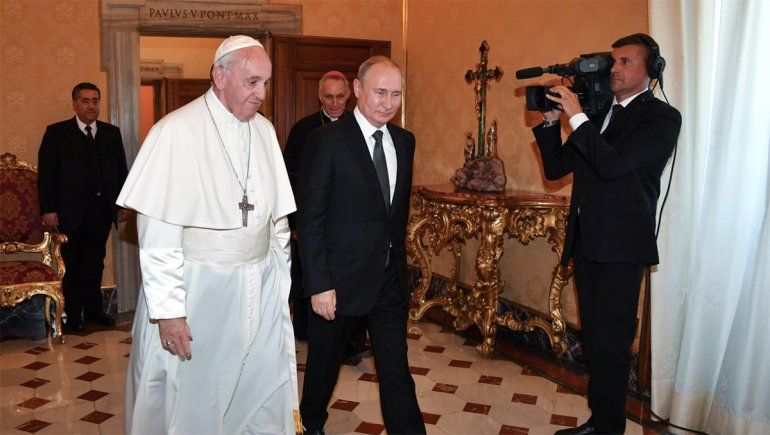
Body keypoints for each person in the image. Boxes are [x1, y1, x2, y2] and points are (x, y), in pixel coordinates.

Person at [118, 35, 301, 434]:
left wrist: (279, 287)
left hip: (258, 286)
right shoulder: (175, 131)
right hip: (198, 291)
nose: (262, 95)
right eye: (252, 82)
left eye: (266, 84)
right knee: (194, 397)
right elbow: (158, 235)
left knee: (257, 387)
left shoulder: (265, 131)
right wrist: (168, 312)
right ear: (220, 76)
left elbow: (278, 225)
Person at [531, 33, 681, 434]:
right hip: (588, 241)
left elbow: (613, 166)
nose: (615, 69)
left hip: (622, 248)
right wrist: (550, 124)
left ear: (652, 72)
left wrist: (577, 117)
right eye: (613, 61)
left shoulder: (662, 119)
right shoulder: (597, 115)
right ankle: (602, 421)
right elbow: (556, 169)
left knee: (612, 344)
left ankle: (610, 427)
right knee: (596, 341)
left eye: (626, 62)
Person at [298, 55, 425, 435]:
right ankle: (310, 425)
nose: (388, 103)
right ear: (357, 90)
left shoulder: (405, 141)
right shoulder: (325, 141)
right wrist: (319, 283)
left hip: (388, 280)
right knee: (323, 367)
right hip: (337, 282)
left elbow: (393, 215)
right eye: (380, 92)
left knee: (396, 370)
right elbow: (311, 218)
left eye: (396, 94)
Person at [37, 82, 129, 333]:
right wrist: (49, 209)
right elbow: (46, 175)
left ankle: (94, 311)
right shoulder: (57, 133)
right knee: (73, 263)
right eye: (85, 101)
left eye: (95, 101)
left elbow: (121, 172)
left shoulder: (111, 133)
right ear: (75, 104)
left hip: (101, 212)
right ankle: (73, 314)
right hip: (70, 212)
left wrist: (121, 204)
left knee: (95, 262)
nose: (91, 106)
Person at [283, 71, 352, 341]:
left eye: (339, 97)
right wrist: (295, 223)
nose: (334, 103)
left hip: (346, 220)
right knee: (307, 273)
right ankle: (305, 331)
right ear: (319, 97)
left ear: (348, 95)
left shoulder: (358, 126)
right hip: (312, 218)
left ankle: (349, 336)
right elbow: (288, 178)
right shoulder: (304, 128)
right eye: (329, 97)